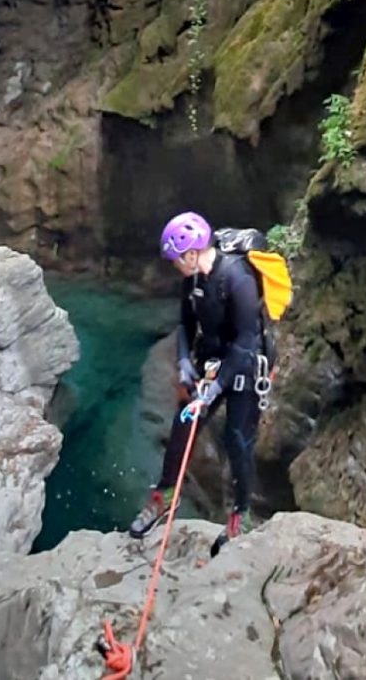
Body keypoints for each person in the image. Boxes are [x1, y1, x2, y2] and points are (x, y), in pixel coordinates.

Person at [129, 211, 266, 546]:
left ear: (191, 253)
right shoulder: (192, 281)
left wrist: (216, 386)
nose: (175, 265)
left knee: (237, 438)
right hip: (211, 360)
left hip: (245, 365)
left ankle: (241, 514)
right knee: (183, 424)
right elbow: (186, 325)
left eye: (176, 259)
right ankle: (165, 496)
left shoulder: (238, 278)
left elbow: (248, 338)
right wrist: (183, 361)